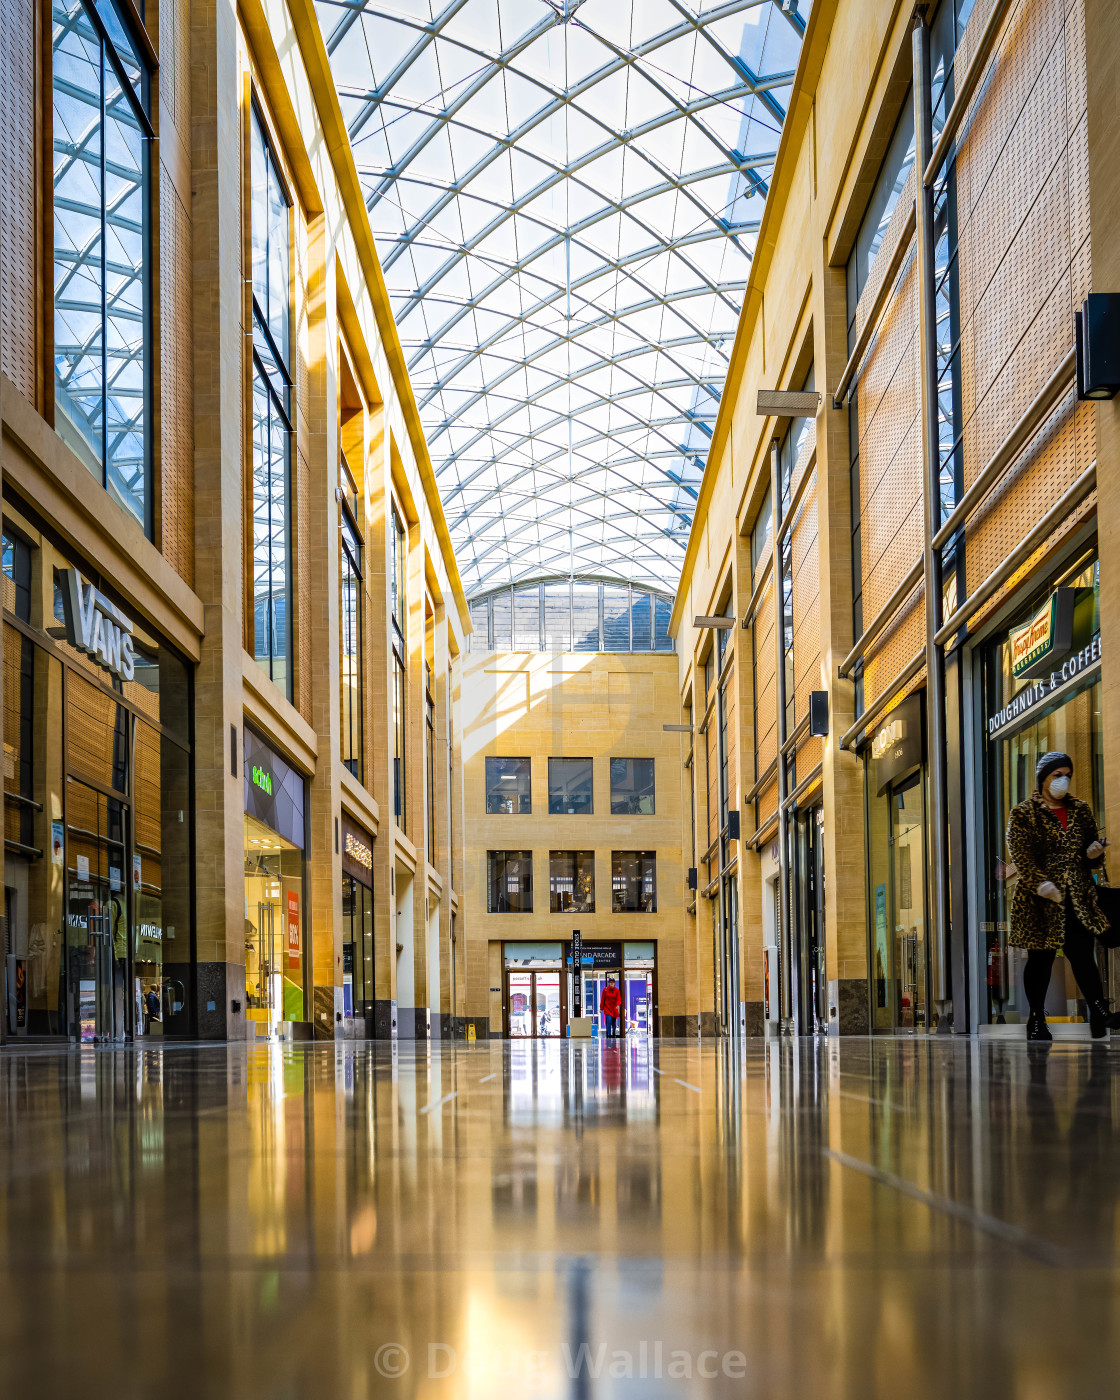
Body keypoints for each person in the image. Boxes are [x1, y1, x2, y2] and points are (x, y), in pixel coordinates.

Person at [1006, 751, 1120, 1041]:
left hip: (1076, 898)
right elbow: (1021, 855)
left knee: (1082, 954)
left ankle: (1099, 1011)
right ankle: (1035, 1019)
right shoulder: (1023, 813)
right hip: (1040, 902)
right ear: (1043, 777)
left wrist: (1093, 855)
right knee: (1040, 960)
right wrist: (1040, 883)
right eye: (1058, 775)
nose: (1063, 780)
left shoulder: (1080, 809)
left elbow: (1091, 852)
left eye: (1067, 774)